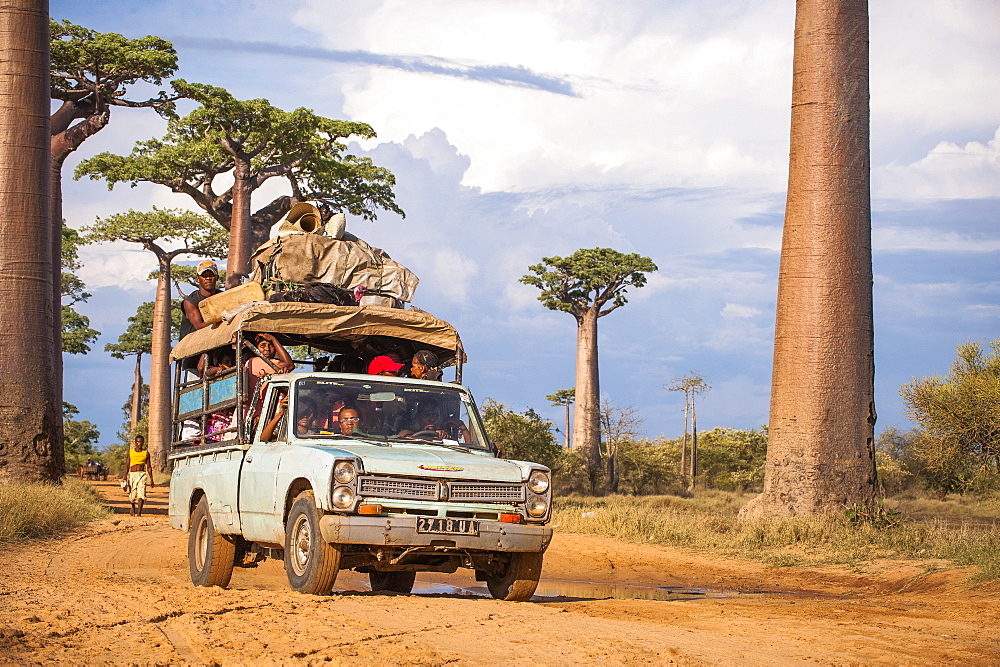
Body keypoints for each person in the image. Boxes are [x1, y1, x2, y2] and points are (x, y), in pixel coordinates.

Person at [180, 260, 222, 340]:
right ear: (197, 279)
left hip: (214, 338)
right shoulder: (190, 301)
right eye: (204, 276)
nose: (208, 278)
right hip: (191, 343)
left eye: (211, 275)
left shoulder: (222, 296)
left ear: (217, 278)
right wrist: (222, 318)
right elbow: (199, 326)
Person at [398, 400, 472, 443]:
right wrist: (426, 437)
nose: (432, 419)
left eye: (436, 415)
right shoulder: (411, 433)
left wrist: (461, 426)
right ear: (418, 417)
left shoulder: (445, 436)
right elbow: (401, 435)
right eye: (427, 415)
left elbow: (469, 447)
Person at [125, 435, 155, 517]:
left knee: (141, 493)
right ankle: (133, 508)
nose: (139, 443)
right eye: (138, 441)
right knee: (132, 494)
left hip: (142, 474)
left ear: (143, 442)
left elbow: (149, 467)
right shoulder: (130, 452)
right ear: (135, 442)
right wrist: (125, 477)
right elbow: (127, 465)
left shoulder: (146, 453)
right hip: (132, 474)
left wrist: (152, 479)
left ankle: (139, 513)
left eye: (141, 441)